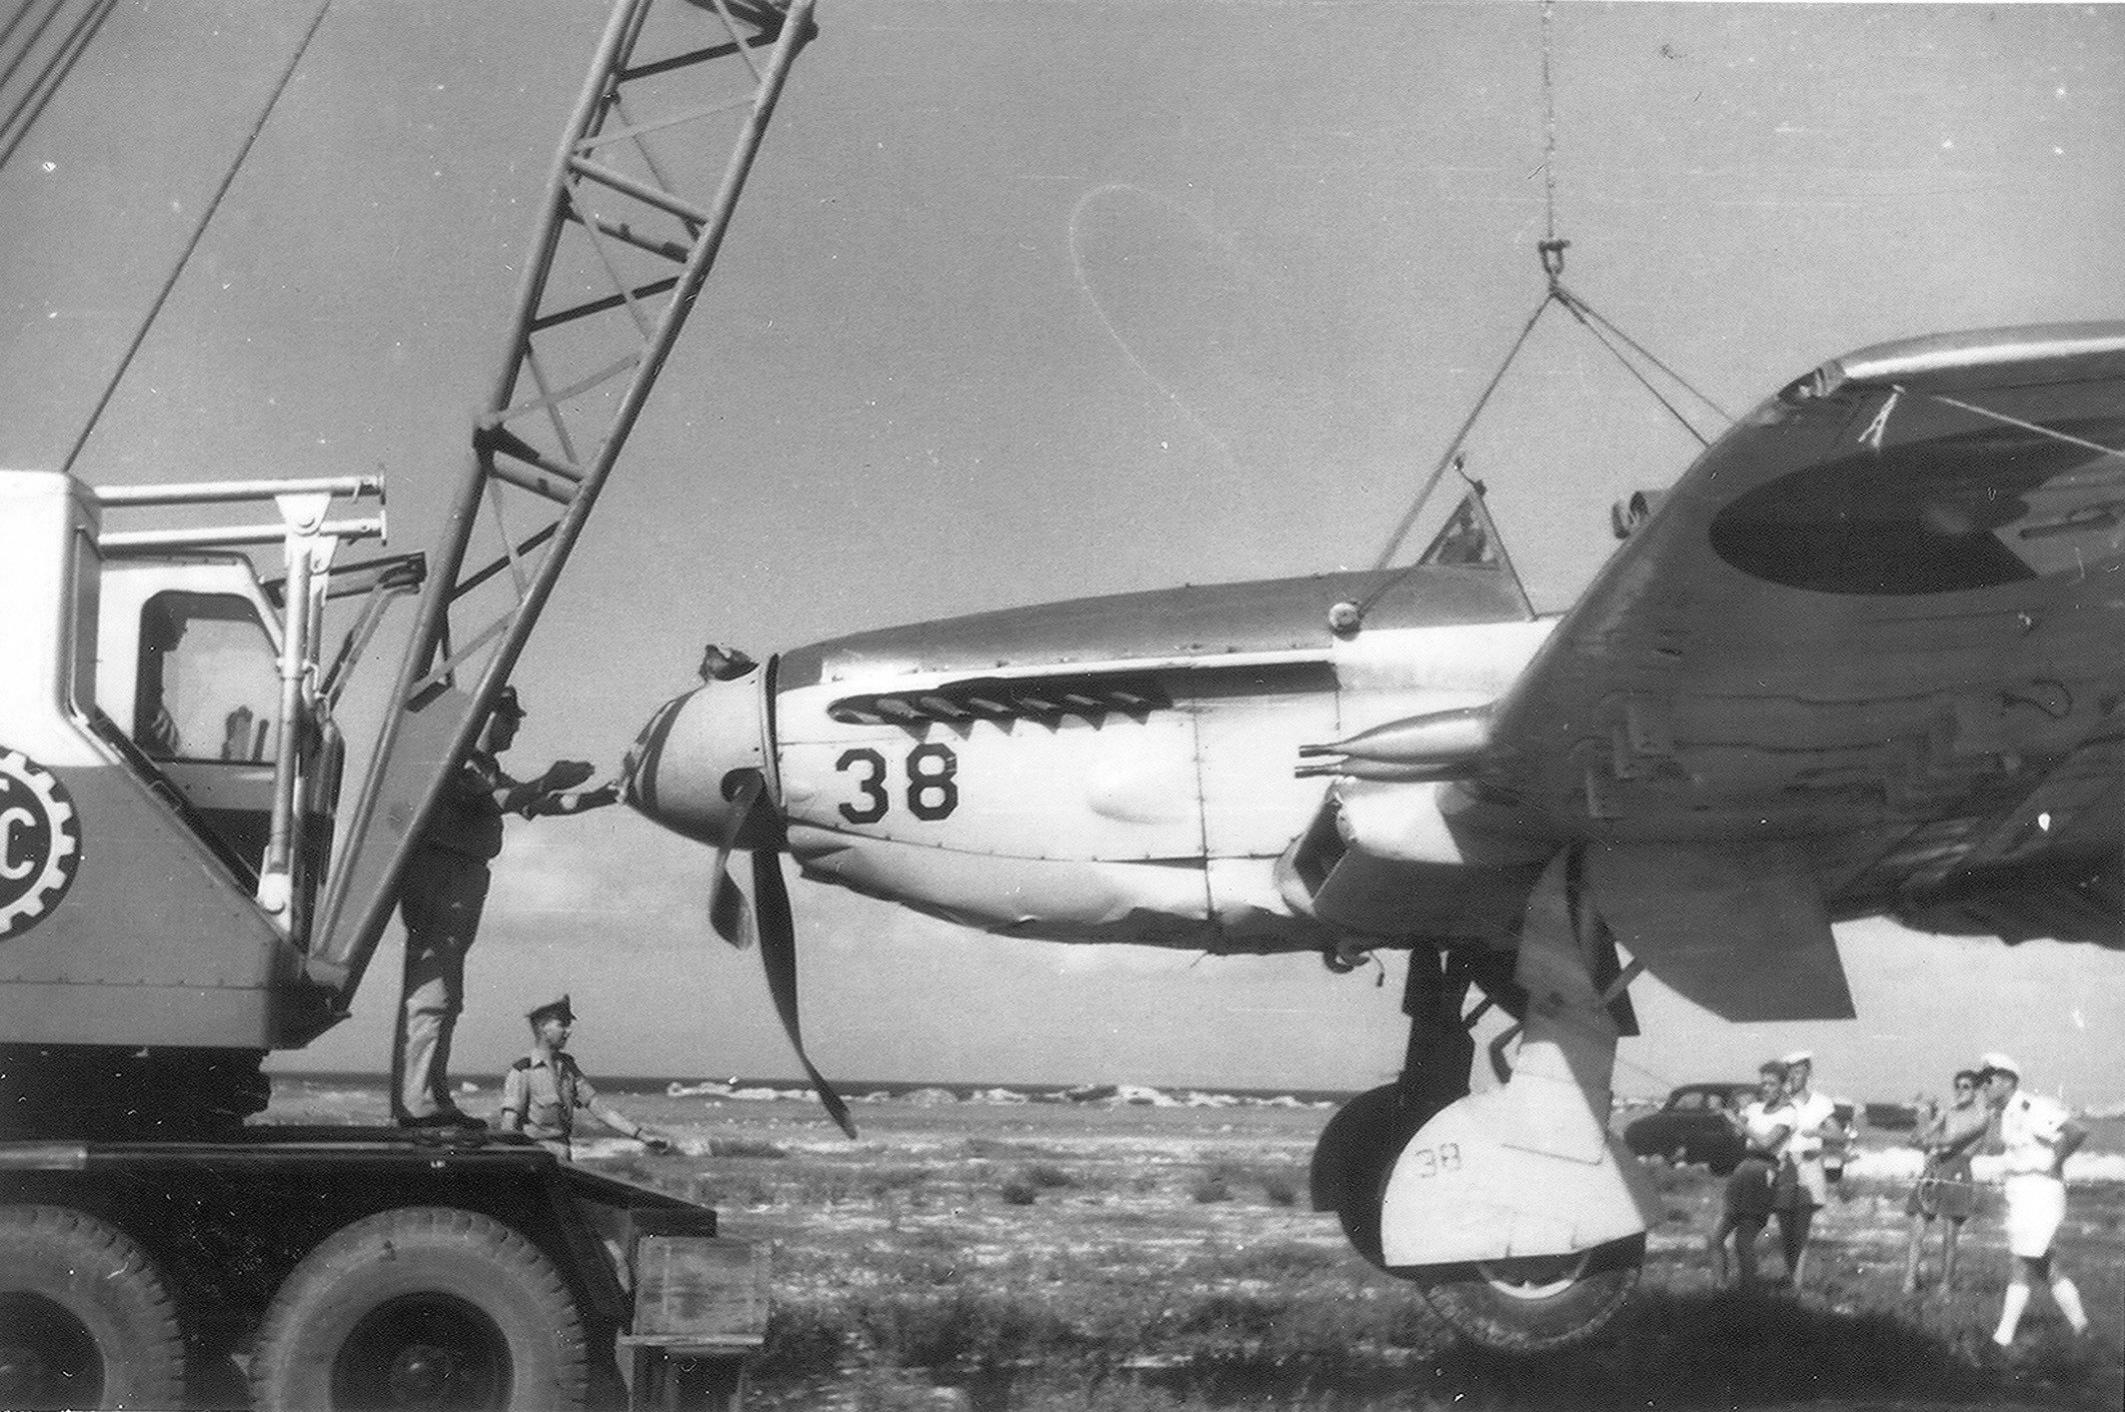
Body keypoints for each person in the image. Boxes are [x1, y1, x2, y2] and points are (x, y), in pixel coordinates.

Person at [393, 685, 618, 1128]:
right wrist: (549, 779)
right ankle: (417, 1101)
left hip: (461, 874)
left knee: (446, 997)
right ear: (488, 716)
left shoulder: (485, 768)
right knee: (433, 996)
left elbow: (540, 803)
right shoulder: (458, 760)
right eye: (511, 719)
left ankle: (431, 1096)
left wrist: (604, 795)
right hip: (443, 872)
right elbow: (498, 800)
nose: (516, 728)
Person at [1980, 1052, 2090, 1347]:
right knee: (2045, 1264)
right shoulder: (2006, 1113)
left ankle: (2003, 1337)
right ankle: (2081, 1326)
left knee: (2020, 1262)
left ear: (2008, 1081)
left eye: (1989, 1081)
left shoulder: (2030, 1107)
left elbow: (2076, 1131)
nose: (1983, 1087)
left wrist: (2057, 1162)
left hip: (2039, 1192)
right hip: (2021, 1192)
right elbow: (2000, 1149)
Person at [499, 995, 672, 1160]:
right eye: (562, 1025)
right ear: (543, 1027)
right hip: (537, 1162)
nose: (568, 1031)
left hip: (563, 1158)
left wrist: (643, 1136)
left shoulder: (568, 1068)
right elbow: (508, 1126)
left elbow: (600, 1110)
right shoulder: (523, 1071)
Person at [1902, 1068, 1989, 1293]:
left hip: (1958, 1168)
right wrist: (1922, 1124)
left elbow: (1953, 1140)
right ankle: (1909, 1281)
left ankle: (1945, 1285)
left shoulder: (1981, 1116)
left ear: (1976, 1090)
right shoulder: (1948, 1111)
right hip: (1935, 1167)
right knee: (1917, 1228)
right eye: (1957, 1086)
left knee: (1950, 1236)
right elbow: (1922, 1137)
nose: (1960, 1091)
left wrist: (1928, 1140)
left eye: (1966, 1087)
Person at [1710, 1061, 1793, 1288]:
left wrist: (1740, 1123)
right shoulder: (1755, 1108)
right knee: (1715, 1237)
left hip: (1764, 1171)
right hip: (1743, 1168)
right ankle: (1720, 1289)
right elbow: (1736, 1134)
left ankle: (1749, 1293)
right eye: (1763, 1083)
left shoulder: (1788, 1113)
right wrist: (1729, 1114)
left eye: (1771, 1084)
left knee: (1743, 1242)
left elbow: (1766, 1143)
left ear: (1783, 1085)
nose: (1765, 1088)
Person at [1770, 1050, 1844, 1287]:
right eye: (1790, 1072)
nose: (1794, 1077)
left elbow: (1838, 1135)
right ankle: (1790, 1276)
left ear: (1808, 1074)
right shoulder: (1781, 1101)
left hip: (1810, 1164)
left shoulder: (1821, 1102)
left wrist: (1817, 1133)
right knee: (1785, 1226)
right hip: (1784, 1165)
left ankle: (1797, 1283)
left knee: (1802, 1226)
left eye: (1799, 1072)